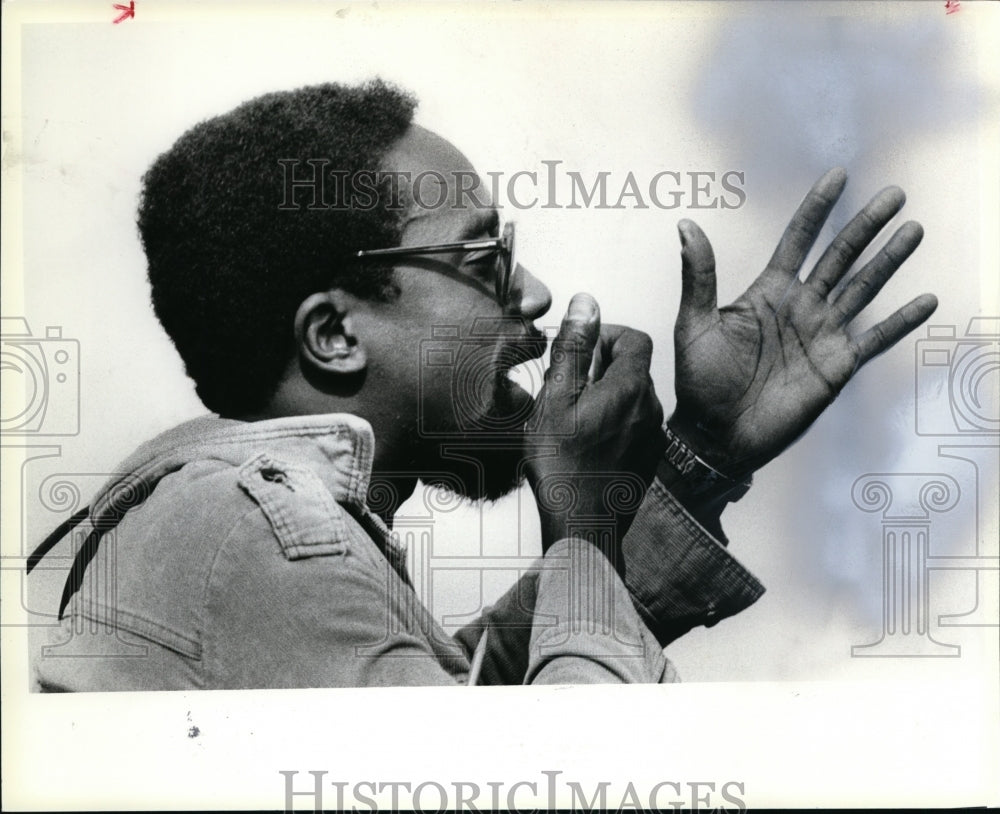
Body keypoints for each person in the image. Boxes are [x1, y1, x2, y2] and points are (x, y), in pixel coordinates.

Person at [27, 80, 936, 689]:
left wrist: (700, 456)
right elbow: (546, 779)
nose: (534, 293)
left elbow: (470, 708)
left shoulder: (228, 530)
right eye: (485, 259)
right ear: (336, 335)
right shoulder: (259, 533)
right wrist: (578, 524)